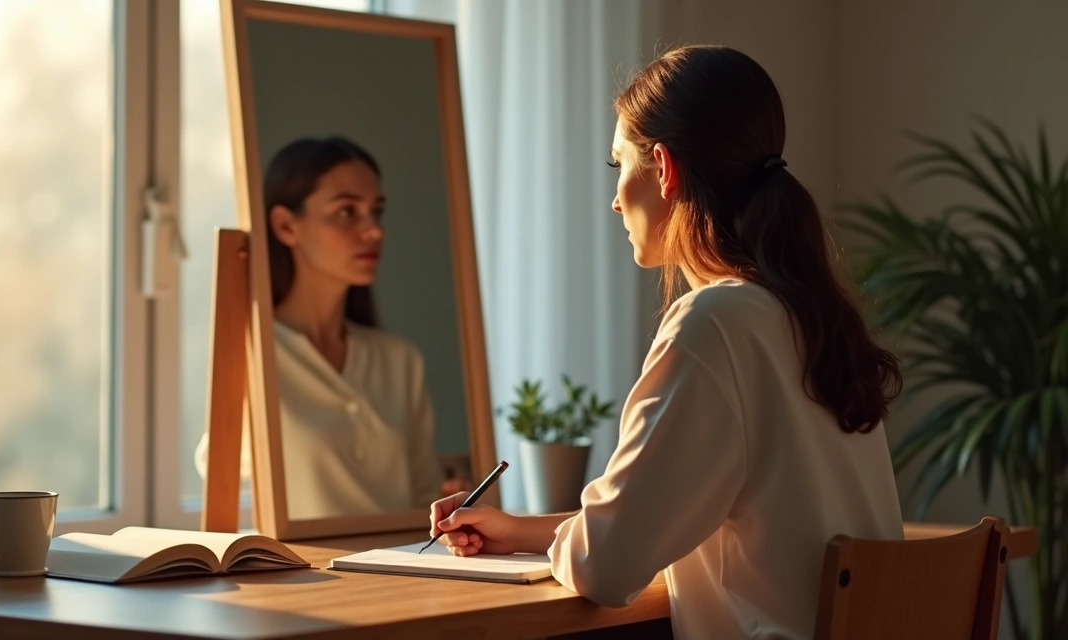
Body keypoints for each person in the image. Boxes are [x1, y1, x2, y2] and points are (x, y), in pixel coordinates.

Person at [428, 45, 904, 640]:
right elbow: (673, 515)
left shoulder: (715, 321)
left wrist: (576, 538)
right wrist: (523, 530)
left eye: (617, 165)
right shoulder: (806, 315)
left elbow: (605, 568)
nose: (614, 197)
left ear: (664, 167)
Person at [196, 136, 462, 520]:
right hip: (303, 577)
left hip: (409, 570)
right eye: (346, 212)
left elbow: (424, 496)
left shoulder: (400, 360)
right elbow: (221, 479)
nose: (374, 231)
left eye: (377, 211)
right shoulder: (253, 357)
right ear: (286, 226)